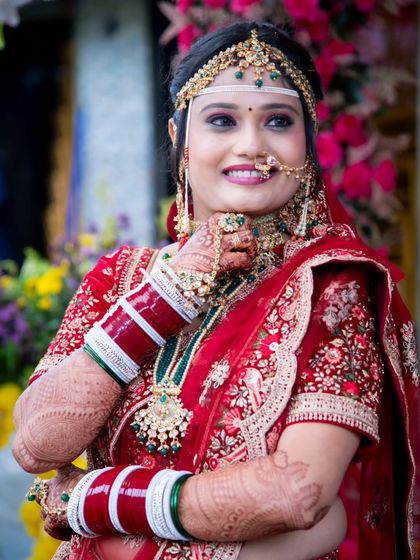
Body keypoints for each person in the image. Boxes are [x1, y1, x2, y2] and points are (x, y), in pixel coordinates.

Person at [12, 21, 418, 560]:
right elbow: (37, 444)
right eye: (221, 121)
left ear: (307, 141)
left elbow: (295, 494)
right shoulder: (118, 279)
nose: (251, 145)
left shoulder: (333, 288)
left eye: (279, 121)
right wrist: (164, 299)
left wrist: (91, 501)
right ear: (180, 138)